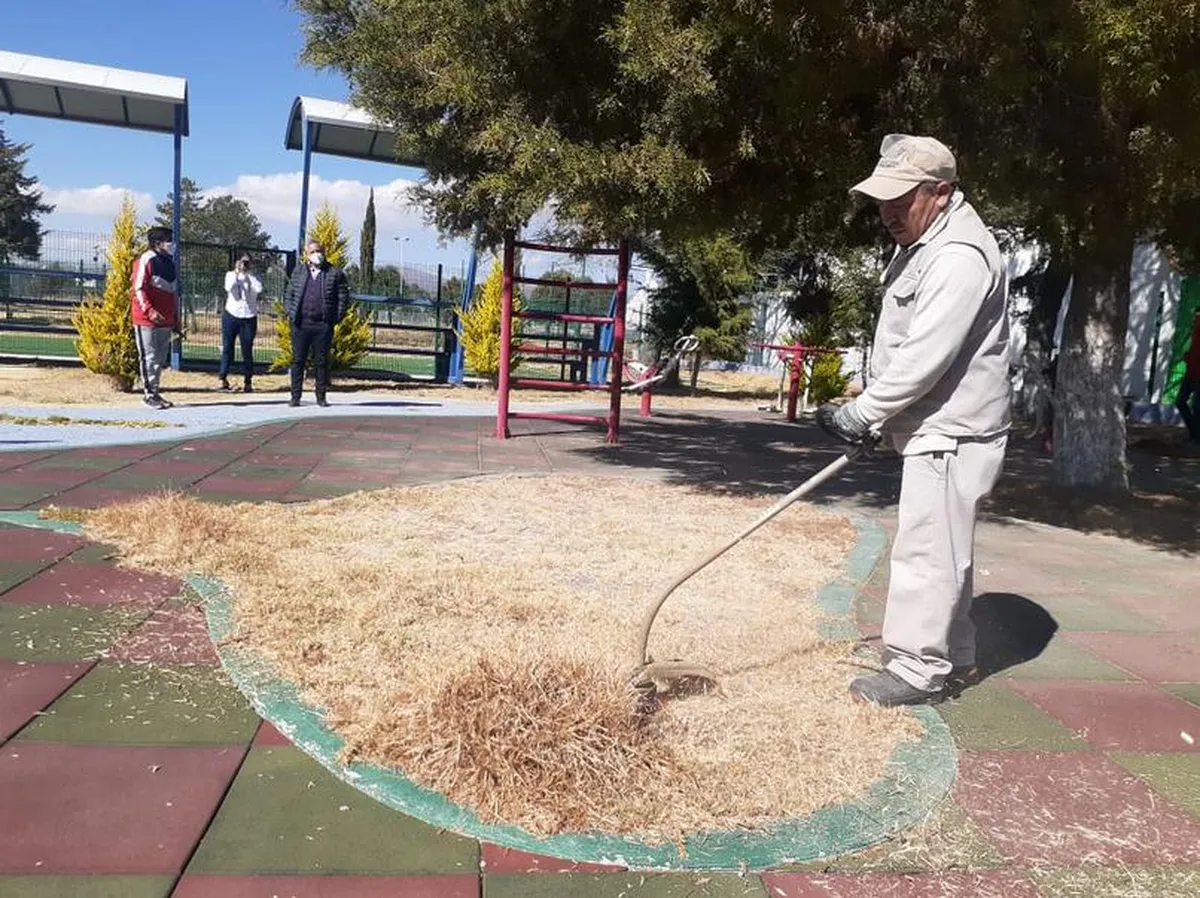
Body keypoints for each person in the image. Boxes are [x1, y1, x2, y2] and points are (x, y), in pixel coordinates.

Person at [815, 134, 1012, 706]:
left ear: (941, 191)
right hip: (937, 424)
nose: (888, 212)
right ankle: (957, 652)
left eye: (902, 199)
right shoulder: (930, 240)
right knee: (944, 547)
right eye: (882, 200)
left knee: (926, 549)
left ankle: (916, 670)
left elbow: (927, 355)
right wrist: (877, 411)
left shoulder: (957, 256)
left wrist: (863, 414)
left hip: (953, 429)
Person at [281, 240, 350, 407]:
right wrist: (291, 313)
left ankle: (321, 397)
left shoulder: (334, 273)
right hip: (300, 323)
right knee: (298, 360)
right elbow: (289, 293)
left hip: (323, 325)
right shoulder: (299, 271)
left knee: (321, 361)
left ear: (323, 252)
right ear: (306, 254)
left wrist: (336, 318)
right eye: (312, 251)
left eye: (318, 250)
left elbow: (343, 297)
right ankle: (295, 397)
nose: (315, 254)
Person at [130, 226, 179, 410]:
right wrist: (149, 311)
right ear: (158, 243)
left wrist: (175, 316)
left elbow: (174, 292)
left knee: (159, 357)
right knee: (149, 356)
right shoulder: (146, 260)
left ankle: (155, 391)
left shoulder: (170, 263)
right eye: (169, 241)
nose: (172, 244)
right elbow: (139, 288)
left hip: (165, 319)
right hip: (146, 319)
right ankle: (149, 394)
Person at [219, 254, 263, 393]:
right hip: (231, 315)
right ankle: (223, 378)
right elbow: (228, 287)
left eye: (247, 262)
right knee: (227, 347)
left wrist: (248, 275)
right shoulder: (230, 275)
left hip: (249, 317)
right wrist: (237, 273)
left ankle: (248, 381)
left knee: (247, 349)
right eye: (241, 261)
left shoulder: (254, 277)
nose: (244, 264)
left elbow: (259, 289)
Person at [1176, 309, 1200, 443]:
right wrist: (1188, 357)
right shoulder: (1195, 332)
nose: (1195, 319)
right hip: (1191, 372)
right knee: (1181, 402)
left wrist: (1189, 357)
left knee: (1197, 407)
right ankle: (1194, 434)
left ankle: (1196, 437)